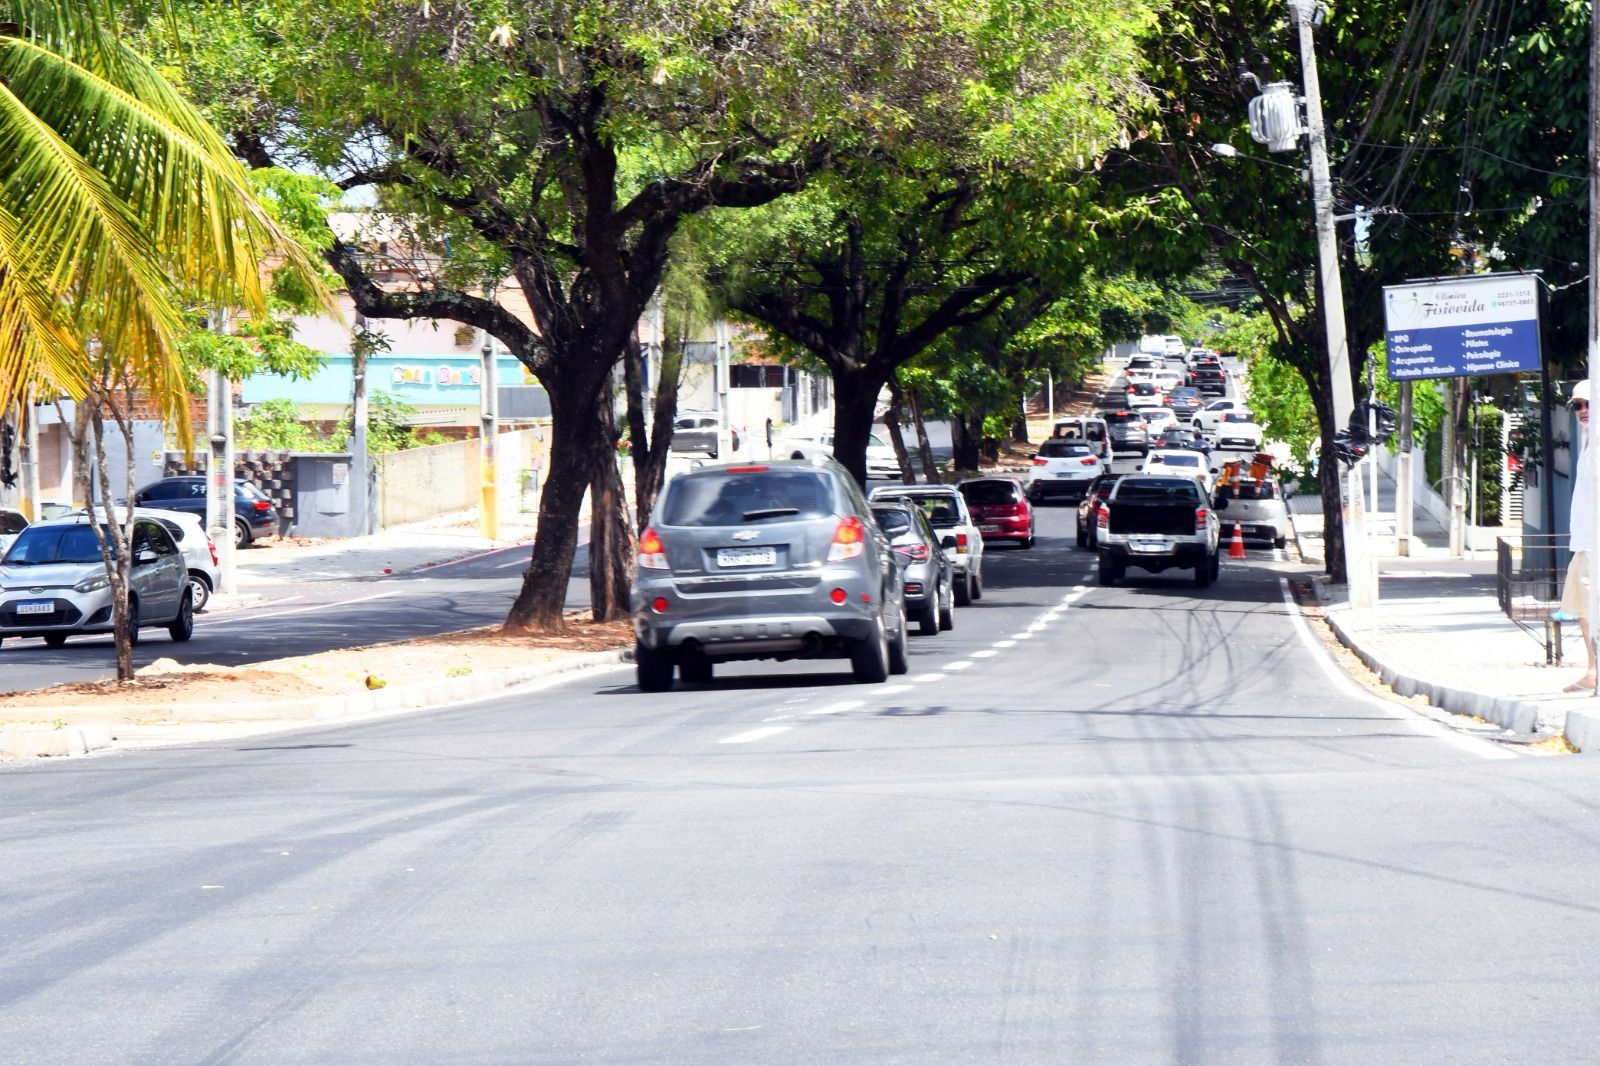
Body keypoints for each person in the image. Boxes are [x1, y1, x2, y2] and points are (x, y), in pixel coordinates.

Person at [1563, 379, 1597, 692]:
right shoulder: (1587, 439)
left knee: (1590, 610)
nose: (1583, 411)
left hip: (1594, 543)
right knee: (1583, 611)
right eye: (1577, 405)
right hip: (1585, 541)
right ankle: (1592, 671)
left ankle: (1593, 673)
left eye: (1588, 404)